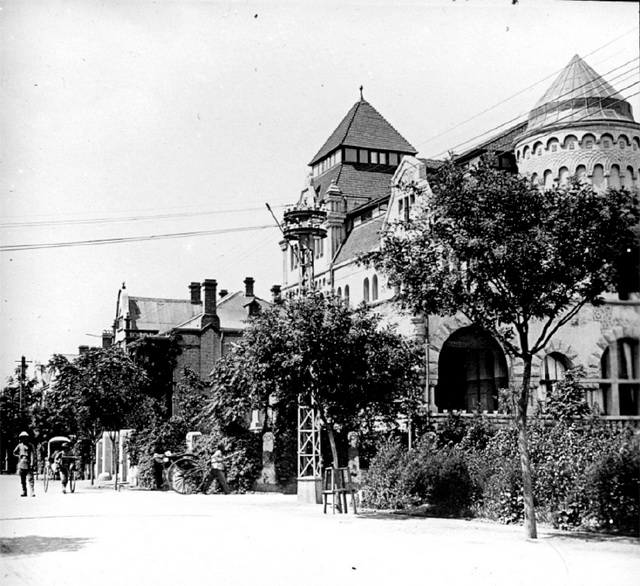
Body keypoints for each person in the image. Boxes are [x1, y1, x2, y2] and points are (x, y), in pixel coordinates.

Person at [13, 431, 35, 497]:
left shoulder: (31, 445)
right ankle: (24, 491)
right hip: (22, 463)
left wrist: (32, 463)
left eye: (25, 438)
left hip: (28, 463)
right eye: (22, 438)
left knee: (30, 478)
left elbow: (32, 454)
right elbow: (14, 452)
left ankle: (32, 491)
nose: (24, 439)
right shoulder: (19, 445)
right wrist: (19, 456)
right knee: (22, 479)